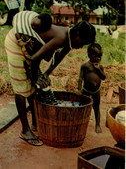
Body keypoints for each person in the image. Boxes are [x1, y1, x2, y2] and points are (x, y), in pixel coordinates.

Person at [5, 10, 96, 146]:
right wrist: (37, 78)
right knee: (21, 87)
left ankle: (35, 123)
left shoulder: (69, 40)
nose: (81, 47)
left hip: (28, 48)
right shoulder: (61, 37)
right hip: (16, 44)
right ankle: (25, 130)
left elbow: (57, 58)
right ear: (77, 34)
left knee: (33, 87)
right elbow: (36, 58)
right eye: (82, 42)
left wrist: (46, 74)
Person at [78, 43, 106, 133]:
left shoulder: (100, 67)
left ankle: (97, 125)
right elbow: (80, 78)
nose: (98, 59)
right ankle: (80, 123)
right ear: (89, 55)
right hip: (86, 90)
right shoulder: (85, 66)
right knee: (83, 107)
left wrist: (98, 69)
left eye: (100, 57)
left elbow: (103, 77)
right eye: (96, 56)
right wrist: (79, 89)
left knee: (96, 107)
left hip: (96, 91)